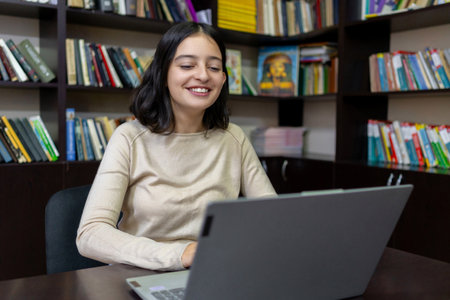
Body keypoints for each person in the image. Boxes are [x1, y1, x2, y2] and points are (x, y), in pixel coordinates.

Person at [76, 21, 276, 271]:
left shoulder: (233, 138)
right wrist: (179, 254)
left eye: (214, 67)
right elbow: (90, 234)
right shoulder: (129, 137)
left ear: (223, 79)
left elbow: (272, 217)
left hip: (212, 272)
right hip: (138, 273)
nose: (203, 75)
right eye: (187, 65)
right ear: (163, 74)